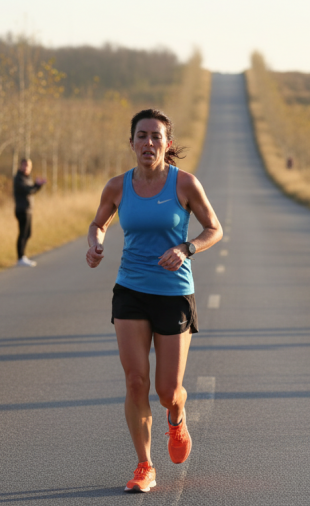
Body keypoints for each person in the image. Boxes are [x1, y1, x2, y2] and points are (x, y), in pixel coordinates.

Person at [85, 109, 222, 493]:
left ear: (168, 143)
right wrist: (96, 242)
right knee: (134, 381)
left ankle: (176, 419)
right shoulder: (117, 186)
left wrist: (187, 247)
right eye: (141, 136)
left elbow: (214, 228)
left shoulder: (185, 184)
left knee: (166, 390)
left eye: (156, 137)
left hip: (174, 293)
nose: (148, 143)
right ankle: (145, 465)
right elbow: (99, 223)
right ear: (131, 143)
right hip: (130, 290)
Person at [13, 158, 46, 267]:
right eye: (25, 165)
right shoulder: (18, 178)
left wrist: (38, 185)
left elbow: (32, 190)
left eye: (29, 166)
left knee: (28, 234)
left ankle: (22, 257)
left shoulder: (27, 178)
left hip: (28, 210)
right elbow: (28, 190)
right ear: (21, 166)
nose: (27, 168)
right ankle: (20, 258)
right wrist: (37, 185)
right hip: (22, 210)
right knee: (23, 233)